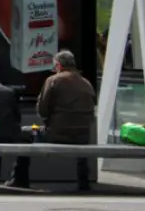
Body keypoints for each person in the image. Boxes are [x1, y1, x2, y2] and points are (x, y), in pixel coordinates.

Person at [17, 50, 97, 191]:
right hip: (82, 136)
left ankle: (19, 179)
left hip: (56, 135)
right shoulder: (86, 83)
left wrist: (48, 119)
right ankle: (83, 181)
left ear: (59, 65)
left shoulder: (53, 80)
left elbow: (42, 110)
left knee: (24, 133)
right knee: (78, 135)